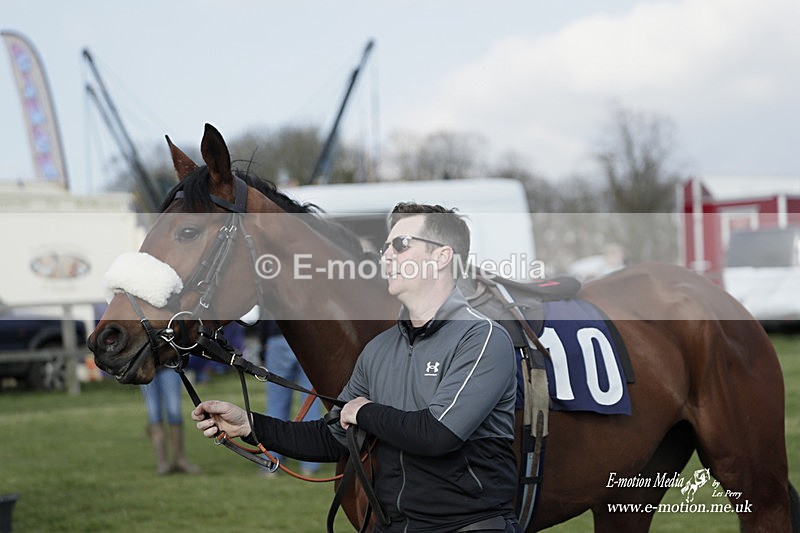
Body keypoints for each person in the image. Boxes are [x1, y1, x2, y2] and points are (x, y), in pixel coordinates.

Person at [192, 203, 520, 532]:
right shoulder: (378, 350)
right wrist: (249, 425)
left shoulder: (483, 338)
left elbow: (438, 435)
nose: (386, 256)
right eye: (385, 247)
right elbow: (332, 437)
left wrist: (364, 412)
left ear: (442, 257)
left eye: (401, 245)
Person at [259, 319, 321, 476]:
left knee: (276, 404)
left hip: (278, 336)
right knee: (310, 403)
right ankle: (310, 464)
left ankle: (272, 462)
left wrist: (263, 341)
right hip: (309, 337)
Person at [142, 368, 201, 475]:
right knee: (154, 413)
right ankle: (162, 463)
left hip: (168, 366)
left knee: (174, 412)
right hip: (144, 367)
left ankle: (180, 460)